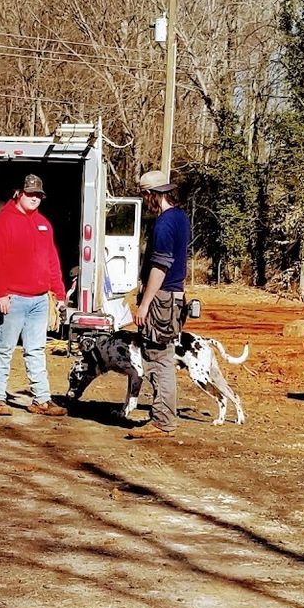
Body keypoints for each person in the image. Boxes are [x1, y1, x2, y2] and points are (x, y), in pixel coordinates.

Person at [0, 173, 69, 418]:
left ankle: (41, 399)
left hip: (40, 300)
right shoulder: (2, 222)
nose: (34, 198)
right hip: (13, 299)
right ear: (18, 193)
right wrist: (0, 293)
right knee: (3, 349)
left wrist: (58, 293)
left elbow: (52, 261)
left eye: (38, 195)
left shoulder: (44, 224)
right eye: (30, 193)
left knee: (36, 350)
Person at [130, 169, 189, 439]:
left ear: (152, 194)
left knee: (158, 358)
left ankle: (163, 421)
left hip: (162, 298)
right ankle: (163, 418)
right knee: (163, 355)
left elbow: (160, 266)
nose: (145, 201)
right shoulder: (180, 218)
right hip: (174, 297)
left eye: (145, 195)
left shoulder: (164, 224)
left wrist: (144, 304)